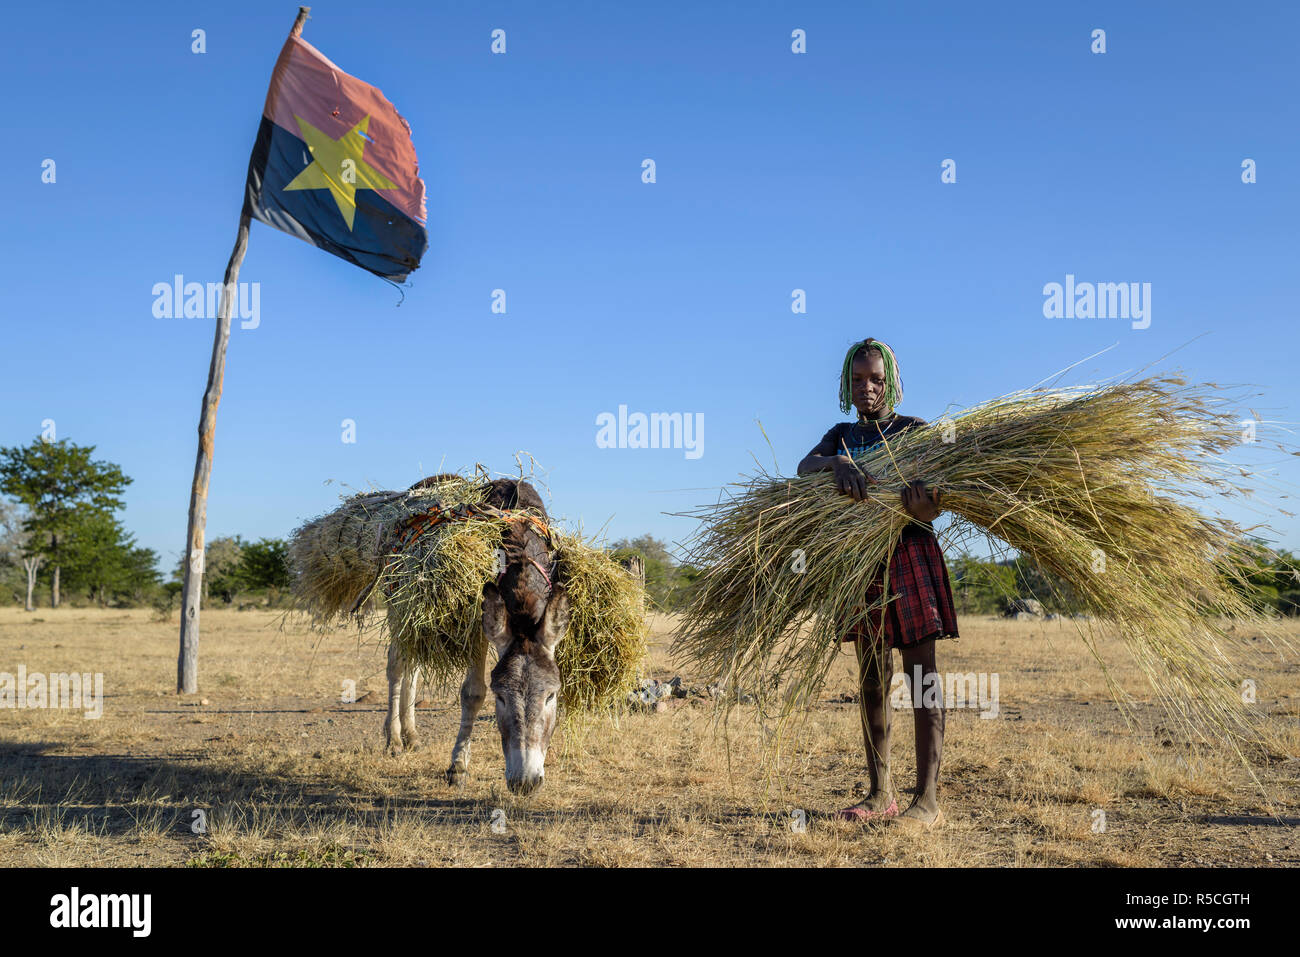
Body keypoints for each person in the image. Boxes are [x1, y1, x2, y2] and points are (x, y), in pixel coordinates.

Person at [796, 337, 959, 830]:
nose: (868, 389)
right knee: (870, 676)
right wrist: (838, 463)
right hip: (861, 564)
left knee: (921, 679)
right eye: (859, 380)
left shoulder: (914, 432)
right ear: (847, 385)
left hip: (909, 554)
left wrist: (922, 505)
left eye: (877, 380)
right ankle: (878, 792)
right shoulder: (841, 434)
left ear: (893, 383)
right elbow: (805, 469)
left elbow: (938, 499)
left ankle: (926, 800)